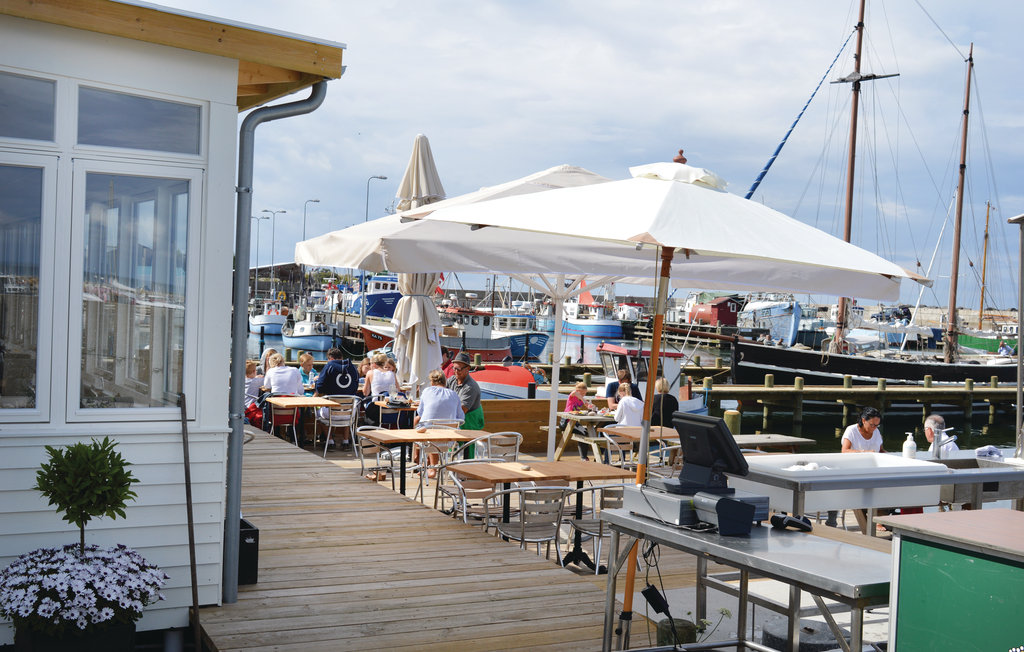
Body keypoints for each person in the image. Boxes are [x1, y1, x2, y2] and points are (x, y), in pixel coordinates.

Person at [828, 406, 886, 528]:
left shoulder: (876, 432)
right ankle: (872, 521)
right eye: (872, 425)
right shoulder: (852, 430)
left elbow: (880, 451)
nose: (874, 428)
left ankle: (879, 518)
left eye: (877, 425)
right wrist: (864, 453)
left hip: (872, 471)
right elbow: (844, 451)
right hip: (853, 471)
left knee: (885, 487)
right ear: (864, 420)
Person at [447, 351, 484, 431]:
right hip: (456, 421)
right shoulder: (452, 380)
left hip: (469, 426)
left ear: (467, 369)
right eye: (454, 368)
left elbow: (461, 411)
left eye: (459, 369)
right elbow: (441, 392)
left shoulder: (470, 387)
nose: (456, 371)